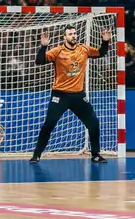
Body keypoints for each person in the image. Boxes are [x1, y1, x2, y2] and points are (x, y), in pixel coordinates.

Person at [29, 22, 111, 164]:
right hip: (60, 95)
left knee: (94, 123)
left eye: (74, 33)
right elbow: (39, 61)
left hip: (78, 95)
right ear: (64, 37)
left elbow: (101, 53)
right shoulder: (58, 51)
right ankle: (36, 155)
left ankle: (96, 155)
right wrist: (43, 46)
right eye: (70, 34)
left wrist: (105, 41)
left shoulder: (84, 49)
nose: (73, 36)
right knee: (49, 124)